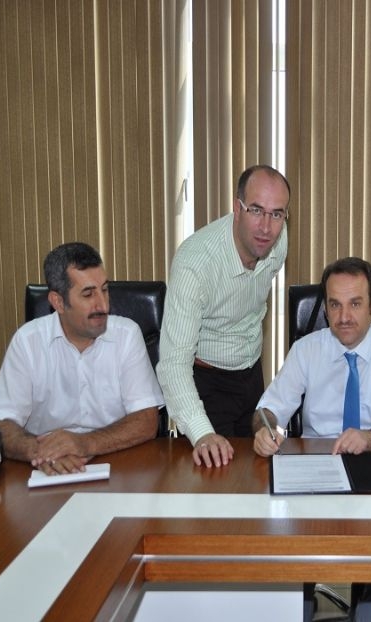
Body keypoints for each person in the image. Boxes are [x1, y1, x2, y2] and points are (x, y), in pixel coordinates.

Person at [253, 256, 371, 622]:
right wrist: (264, 428)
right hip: (316, 472)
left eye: (355, 304)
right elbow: (268, 409)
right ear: (325, 308)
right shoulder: (307, 350)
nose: (344, 317)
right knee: (294, 568)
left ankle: (369, 613)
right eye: (335, 305)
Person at [0, 242, 164, 475]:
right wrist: (41, 451)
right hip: (47, 468)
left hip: (118, 462)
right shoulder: (28, 341)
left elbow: (146, 421)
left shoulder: (127, 334)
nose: (103, 305)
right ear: (58, 302)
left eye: (105, 289)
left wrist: (83, 443)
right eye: (88, 294)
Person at [157, 164, 291, 468]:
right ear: (237, 207)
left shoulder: (279, 241)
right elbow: (173, 363)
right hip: (207, 383)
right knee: (216, 476)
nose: (266, 228)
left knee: (258, 472)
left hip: (251, 373)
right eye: (256, 210)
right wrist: (202, 433)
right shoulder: (195, 264)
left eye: (277, 214)